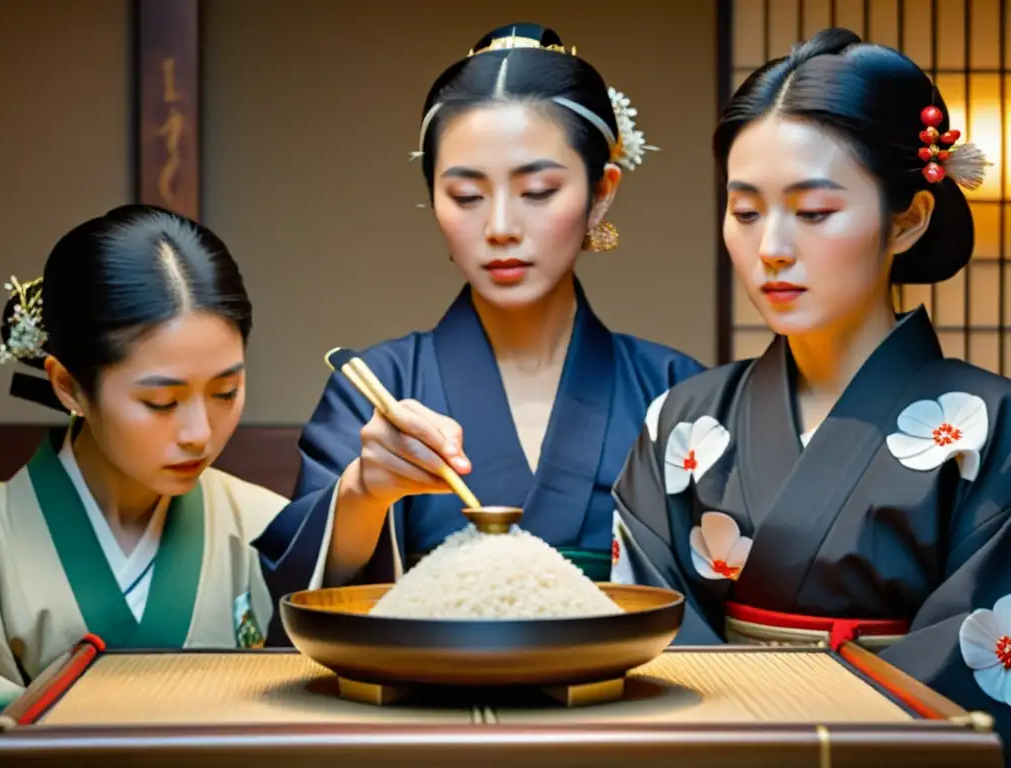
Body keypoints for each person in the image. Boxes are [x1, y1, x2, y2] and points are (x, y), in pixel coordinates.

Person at [611, 27, 1011, 741]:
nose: (771, 248)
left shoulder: (992, 424)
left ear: (909, 220)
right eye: (745, 211)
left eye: (815, 212)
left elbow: (978, 663)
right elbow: (645, 634)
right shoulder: (682, 421)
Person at [254, 23, 704, 637]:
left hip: (616, 712)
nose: (499, 226)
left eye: (538, 191)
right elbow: (304, 601)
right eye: (466, 196)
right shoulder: (379, 385)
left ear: (601, 193)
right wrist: (364, 493)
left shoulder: (677, 392)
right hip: (424, 707)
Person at [0, 205, 287, 712]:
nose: (199, 434)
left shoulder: (269, 528)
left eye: (226, 391)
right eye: (162, 402)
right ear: (69, 386)